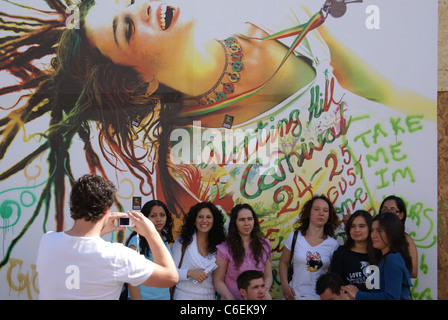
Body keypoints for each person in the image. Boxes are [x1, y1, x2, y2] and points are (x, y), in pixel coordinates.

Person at [35, 174, 178, 300]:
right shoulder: (116, 255)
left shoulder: (47, 241)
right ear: (106, 210)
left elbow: (82, 251)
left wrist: (100, 231)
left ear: (73, 205)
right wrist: (151, 233)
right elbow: (170, 277)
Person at [279, 195, 339, 300]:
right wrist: (284, 285)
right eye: (316, 209)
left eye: (325, 210)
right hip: (294, 296)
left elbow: (331, 275)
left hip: (318, 297)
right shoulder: (294, 237)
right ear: (309, 213)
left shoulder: (333, 244)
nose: (321, 213)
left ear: (329, 215)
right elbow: (283, 262)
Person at [344, 212, 413, 300]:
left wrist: (358, 295)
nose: (374, 235)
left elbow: (391, 297)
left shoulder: (392, 258)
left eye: (379, 231)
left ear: (392, 233)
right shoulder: (384, 258)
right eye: (372, 230)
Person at [214, 204, 272, 300]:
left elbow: (268, 275)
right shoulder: (224, 249)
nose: (246, 223)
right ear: (234, 223)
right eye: (242, 220)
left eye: (250, 219)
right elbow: (218, 280)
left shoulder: (264, 245)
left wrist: (265, 291)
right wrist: (229, 296)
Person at [171, 201, 226, 300]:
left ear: (214, 220)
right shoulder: (182, 241)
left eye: (208, 217)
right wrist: (190, 273)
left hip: (209, 297)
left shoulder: (219, 244)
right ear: (194, 220)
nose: (204, 220)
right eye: (200, 217)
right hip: (183, 296)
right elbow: (170, 272)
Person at [125, 199, 175, 300]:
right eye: (153, 216)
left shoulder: (165, 239)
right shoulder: (136, 241)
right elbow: (131, 278)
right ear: (145, 218)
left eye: (162, 215)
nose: (159, 219)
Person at [330, 210, 374, 292]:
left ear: (370, 228)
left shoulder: (379, 254)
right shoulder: (340, 254)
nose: (356, 230)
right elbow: (335, 287)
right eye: (352, 226)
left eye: (361, 226)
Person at [379, 195, 418, 278]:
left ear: (401, 215)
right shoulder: (374, 236)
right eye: (384, 209)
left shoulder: (406, 239)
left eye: (393, 210)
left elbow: (414, 272)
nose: (387, 213)